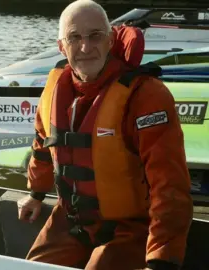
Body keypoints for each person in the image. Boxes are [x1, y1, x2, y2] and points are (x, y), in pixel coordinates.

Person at [17, 0, 194, 269]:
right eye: (74, 37)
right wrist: (37, 193)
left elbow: (170, 186)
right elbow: (43, 144)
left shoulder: (146, 95)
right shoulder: (54, 87)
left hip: (129, 230)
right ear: (62, 46)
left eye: (95, 36)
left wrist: (161, 259)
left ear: (111, 40)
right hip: (71, 221)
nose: (86, 47)